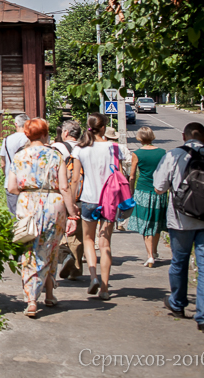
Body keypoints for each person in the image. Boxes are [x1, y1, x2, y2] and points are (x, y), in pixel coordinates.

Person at [7, 118, 79, 318]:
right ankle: (49, 294)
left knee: (31, 250)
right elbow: (64, 187)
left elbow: (12, 187)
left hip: (28, 203)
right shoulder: (56, 156)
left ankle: (31, 300)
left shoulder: (19, 156)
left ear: (27, 135)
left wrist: (29, 187)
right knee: (51, 248)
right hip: (52, 204)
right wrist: (72, 213)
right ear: (46, 134)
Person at [154, 122, 204, 334]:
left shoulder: (174, 156)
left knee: (179, 262)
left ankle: (178, 304)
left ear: (184, 136)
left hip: (180, 220)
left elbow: (159, 187)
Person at [72, 112, 126, 300]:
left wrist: (71, 202)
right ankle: (104, 289)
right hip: (109, 201)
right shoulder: (115, 148)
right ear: (103, 128)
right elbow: (121, 175)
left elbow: (75, 179)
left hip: (88, 199)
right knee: (105, 244)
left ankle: (93, 277)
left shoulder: (80, 149)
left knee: (88, 240)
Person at [128, 126, 168, 267]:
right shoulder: (162, 152)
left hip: (143, 191)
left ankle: (150, 256)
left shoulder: (137, 153)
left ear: (139, 138)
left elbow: (132, 176)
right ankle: (155, 251)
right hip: (159, 191)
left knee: (146, 224)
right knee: (156, 222)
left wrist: (131, 190)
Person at [53, 119, 84, 279]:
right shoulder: (85, 147)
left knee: (58, 232)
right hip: (82, 195)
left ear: (65, 133)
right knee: (77, 235)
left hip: (61, 194)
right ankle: (76, 270)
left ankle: (65, 256)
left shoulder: (57, 148)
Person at [0, 113, 29, 216]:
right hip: (27, 182)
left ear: (16, 124)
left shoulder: (7, 140)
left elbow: (3, 163)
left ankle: (14, 231)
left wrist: (7, 175)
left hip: (10, 181)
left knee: (13, 213)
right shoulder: (29, 139)